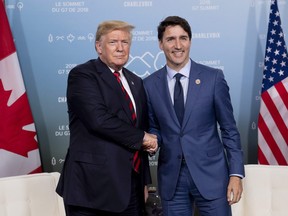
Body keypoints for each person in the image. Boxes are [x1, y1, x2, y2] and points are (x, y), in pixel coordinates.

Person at [143, 16, 245, 216]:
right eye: (171, 39)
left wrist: (236, 174)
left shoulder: (213, 78)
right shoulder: (149, 85)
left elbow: (229, 129)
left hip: (212, 177)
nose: (178, 45)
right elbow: (155, 127)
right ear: (160, 44)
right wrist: (152, 140)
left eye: (183, 38)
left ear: (190, 41)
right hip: (172, 180)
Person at [56, 20, 157, 216]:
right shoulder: (83, 75)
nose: (120, 48)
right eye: (113, 42)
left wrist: (144, 182)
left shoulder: (135, 81)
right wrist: (144, 138)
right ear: (98, 47)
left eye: (125, 42)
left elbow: (139, 127)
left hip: (131, 189)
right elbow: (98, 120)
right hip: (92, 191)